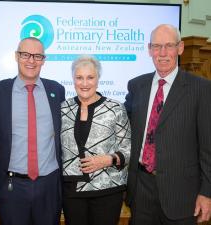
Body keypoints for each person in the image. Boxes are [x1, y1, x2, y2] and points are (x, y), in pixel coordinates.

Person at [125, 24, 211, 225]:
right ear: (149, 49)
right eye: (156, 46)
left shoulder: (201, 89)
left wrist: (207, 192)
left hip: (181, 195)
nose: (162, 53)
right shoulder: (136, 85)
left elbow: (208, 147)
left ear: (180, 48)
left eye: (169, 46)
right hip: (141, 191)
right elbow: (123, 128)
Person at [0, 37, 65, 225]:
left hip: (49, 186)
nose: (31, 60)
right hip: (12, 187)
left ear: (44, 60)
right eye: (25, 54)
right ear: (16, 56)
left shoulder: (56, 90)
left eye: (37, 56)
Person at [61, 55, 131, 225]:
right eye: (79, 78)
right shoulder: (62, 108)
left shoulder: (115, 109)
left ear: (98, 79)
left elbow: (129, 149)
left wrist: (108, 159)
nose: (85, 83)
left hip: (107, 190)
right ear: (73, 79)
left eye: (90, 77)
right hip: (72, 192)